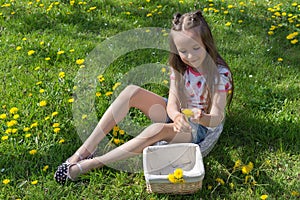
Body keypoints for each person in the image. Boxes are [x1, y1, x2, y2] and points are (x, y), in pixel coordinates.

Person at [54, 10, 233, 184]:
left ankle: (93, 163)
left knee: (157, 130)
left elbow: (217, 118)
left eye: (196, 48)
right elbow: (172, 104)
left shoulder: (218, 75)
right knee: (131, 91)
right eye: (183, 51)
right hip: (180, 117)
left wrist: (201, 117)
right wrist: (177, 115)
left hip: (197, 128)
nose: (190, 55)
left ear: (206, 43)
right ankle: (83, 151)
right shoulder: (179, 67)